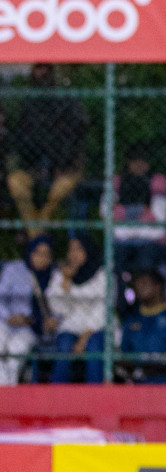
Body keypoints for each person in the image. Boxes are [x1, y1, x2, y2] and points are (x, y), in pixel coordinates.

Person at [6, 63, 88, 232]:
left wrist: (62, 164)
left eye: (45, 70)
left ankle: (38, 230)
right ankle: (36, 233)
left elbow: (77, 132)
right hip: (35, 167)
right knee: (16, 182)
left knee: (59, 190)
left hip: (65, 167)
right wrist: (32, 165)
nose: (40, 75)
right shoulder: (28, 105)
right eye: (37, 70)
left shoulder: (66, 101)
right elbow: (22, 141)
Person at [45, 235, 108, 384]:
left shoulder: (103, 274)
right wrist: (65, 283)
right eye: (70, 250)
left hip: (99, 328)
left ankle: (96, 397)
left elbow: (103, 310)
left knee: (94, 346)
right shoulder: (61, 275)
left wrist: (86, 335)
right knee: (64, 344)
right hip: (71, 328)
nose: (73, 254)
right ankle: (58, 398)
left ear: (88, 250)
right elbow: (58, 309)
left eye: (78, 249)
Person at [111, 142, 166, 280]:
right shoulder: (117, 181)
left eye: (142, 160)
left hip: (151, 239)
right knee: (114, 266)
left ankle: (144, 302)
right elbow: (106, 212)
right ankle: (119, 301)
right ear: (128, 162)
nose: (139, 164)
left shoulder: (158, 180)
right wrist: (143, 210)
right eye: (134, 160)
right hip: (122, 240)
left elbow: (158, 216)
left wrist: (122, 211)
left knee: (145, 264)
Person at [119, 268, 166, 383]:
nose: (139, 287)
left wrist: (161, 363)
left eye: (144, 283)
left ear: (158, 287)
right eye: (137, 284)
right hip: (139, 382)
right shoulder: (131, 320)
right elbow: (123, 355)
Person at [0, 235, 53, 384]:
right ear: (30, 252)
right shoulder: (15, 269)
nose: (42, 258)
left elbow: (54, 312)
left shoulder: (51, 276)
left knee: (16, 349)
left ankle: (7, 392)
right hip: (4, 322)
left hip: (28, 329)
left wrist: (29, 320)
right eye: (38, 253)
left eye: (46, 255)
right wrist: (9, 316)